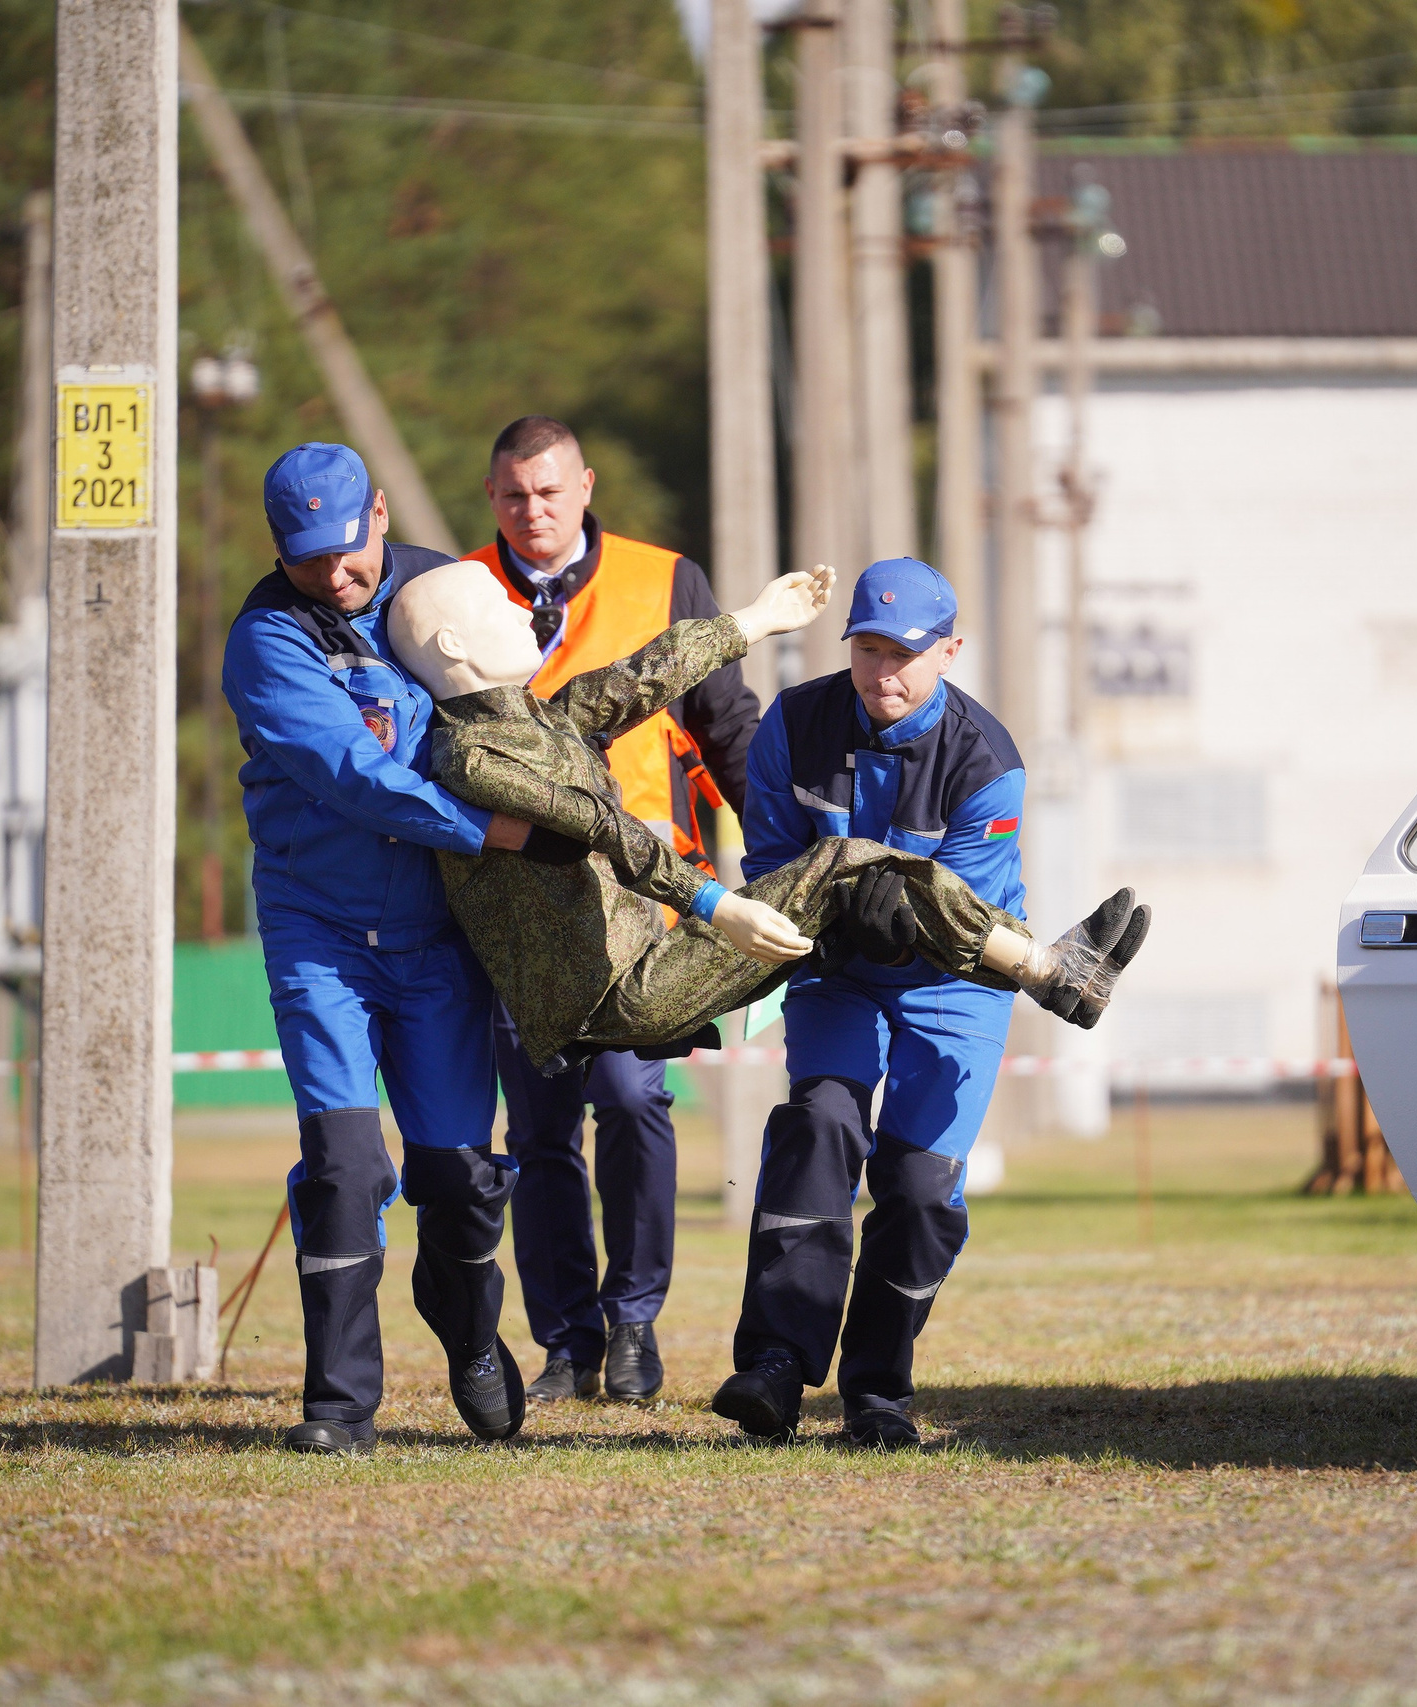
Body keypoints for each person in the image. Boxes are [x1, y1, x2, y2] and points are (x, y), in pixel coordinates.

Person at [383, 557, 1146, 1074]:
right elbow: (602, 830)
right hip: (617, 990)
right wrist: (719, 907)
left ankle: (1052, 972)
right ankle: (1048, 970)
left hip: (639, 961)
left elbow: (639, 677)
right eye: (493, 605)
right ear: (453, 643)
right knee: (842, 861)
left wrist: (755, 619)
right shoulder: (473, 760)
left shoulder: (541, 719)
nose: (519, 606)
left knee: (848, 878)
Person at [220, 441, 533, 1456]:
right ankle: (339, 1405)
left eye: (348, 551)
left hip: (438, 945)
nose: (336, 575)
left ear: (382, 515)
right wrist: (488, 831)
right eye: (308, 558)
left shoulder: (447, 594)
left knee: (457, 1180)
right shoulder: (267, 638)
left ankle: (474, 1342)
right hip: (322, 938)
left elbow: (512, 708)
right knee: (344, 1164)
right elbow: (347, 770)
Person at [709, 558, 1058, 1450]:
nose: (883, 672)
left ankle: (877, 1389)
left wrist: (898, 920)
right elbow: (773, 865)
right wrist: (834, 915)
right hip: (835, 967)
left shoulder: (991, 764)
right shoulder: (794, 722)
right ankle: (778, 1363)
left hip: (955, 982)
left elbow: (964, 918)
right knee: (819, 1122)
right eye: (867, 648)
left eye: (905, 652)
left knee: (916, 1184)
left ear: (950, 651)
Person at [461, 415, 759, 1407]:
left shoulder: (665, 577)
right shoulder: (455, 594)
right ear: (491, 498)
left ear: (584, 485)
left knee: (632, 1103)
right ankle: (566, 1341)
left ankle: (634, 1325)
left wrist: (772, 840)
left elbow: (725, 723)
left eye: (548, 492)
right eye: (512, 496)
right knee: (539, 1133)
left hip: (648, 906)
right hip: (514, 915)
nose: (532, 513)